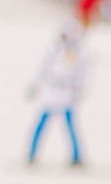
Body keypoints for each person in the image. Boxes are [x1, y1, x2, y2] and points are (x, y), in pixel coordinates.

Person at [24, 20, 92, 167]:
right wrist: (35, 86)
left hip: (68, 94)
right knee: (41, 124)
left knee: (70, 126)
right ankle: (31, 155)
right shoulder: (54, 51)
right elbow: (43, 71)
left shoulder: (79, 53)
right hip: (52, 92)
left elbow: (85, 74)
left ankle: (77, 156)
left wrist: (81, 89)